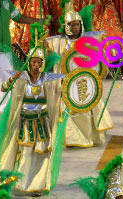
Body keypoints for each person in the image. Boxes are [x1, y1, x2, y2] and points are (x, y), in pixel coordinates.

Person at [0, 24, 65, 196]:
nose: (36, 65)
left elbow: (61, 91)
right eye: (33, 62)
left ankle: (38, 185)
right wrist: (12, 78)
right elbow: (4, 88)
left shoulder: (49, 80)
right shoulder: (22, 78)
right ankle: (23, 183)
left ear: (43, 63)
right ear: (29, 63)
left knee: (42, 155)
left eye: (39, 62)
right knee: (25, 154)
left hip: (42, 122)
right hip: (25, 123)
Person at [45, 0, 113, 148]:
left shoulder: (88, 41)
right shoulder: (58, 42)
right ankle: (72, 138)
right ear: (66, 27)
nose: (74, 28)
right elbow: (48, 52)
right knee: (68, 110)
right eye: (71, 25)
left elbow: (98, 57)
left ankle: (88, 137)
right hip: (66, 84)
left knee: (87, 108)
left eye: (77, 25)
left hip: (84, 83)